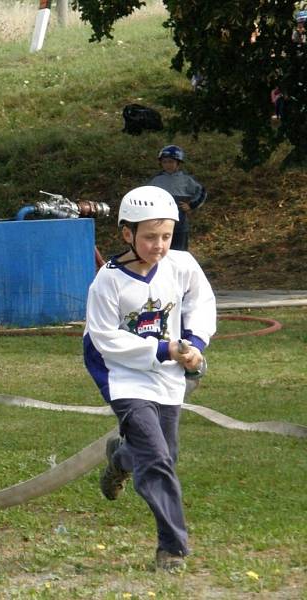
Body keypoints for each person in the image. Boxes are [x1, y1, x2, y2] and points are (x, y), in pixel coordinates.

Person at [83, 186, 216, 573]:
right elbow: (105, 339)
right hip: (121, 373)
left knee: (164, 455)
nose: (159, 245)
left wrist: (192, 342)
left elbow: (201, 302)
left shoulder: (182, 264)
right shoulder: (107, 282)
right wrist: (163, 350)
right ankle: (171, 547)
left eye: (166, 236)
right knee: (157, 459)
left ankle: (121, 458)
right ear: (127, 233)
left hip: (167, 372)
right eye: (149, 237)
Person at [147, 145, 206, 251]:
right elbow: (147, 196)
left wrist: (191, 205)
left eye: (171, 162)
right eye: (164, 162)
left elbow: (202, 192)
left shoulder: (186, 180)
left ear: (178, 163)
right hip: (160, 224)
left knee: (180, 253)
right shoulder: (156, 180)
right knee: (162, 251)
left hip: (180, 224)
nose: (168, 165)